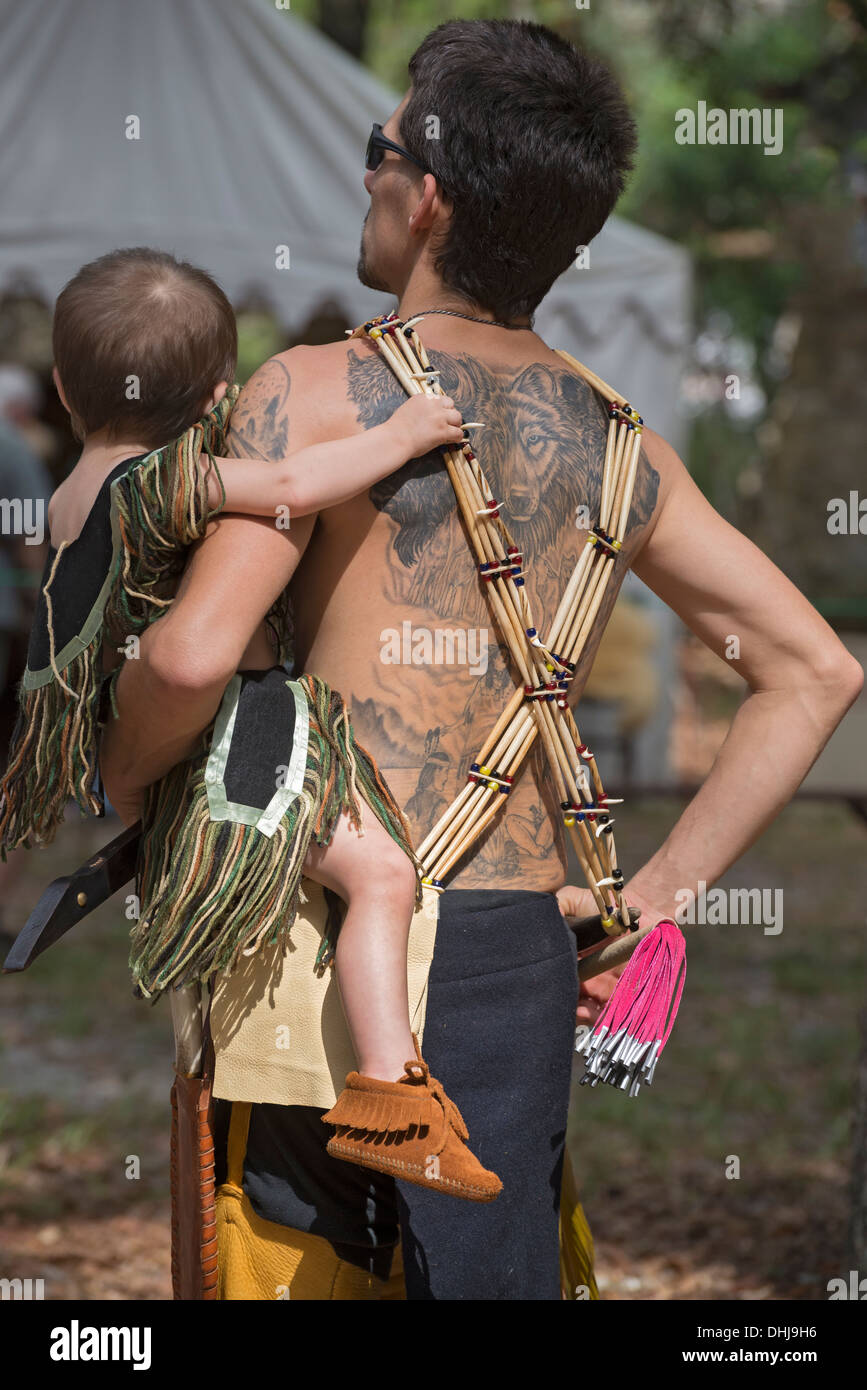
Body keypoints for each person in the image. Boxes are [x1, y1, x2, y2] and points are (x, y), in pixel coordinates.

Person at [100, 19, 862, 1300]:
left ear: (431, 195)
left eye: (376, 148)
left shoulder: (309, 396)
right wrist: (658, 897)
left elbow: (186, 665)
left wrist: (126, 781)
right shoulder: (622, 446)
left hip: (315, 924)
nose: (366, 176)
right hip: (517, 947)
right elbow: (814, 670)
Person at [0, 246, 503, 1203]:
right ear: (219, 393)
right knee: (383, 874)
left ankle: (391, 1096)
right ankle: (394, 1097)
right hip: (238, 737)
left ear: (64, 386)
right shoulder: (158, 481)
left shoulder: (72, 493)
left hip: (144, 738)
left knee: (374, 876)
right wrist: (401, 433)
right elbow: (290, 489)